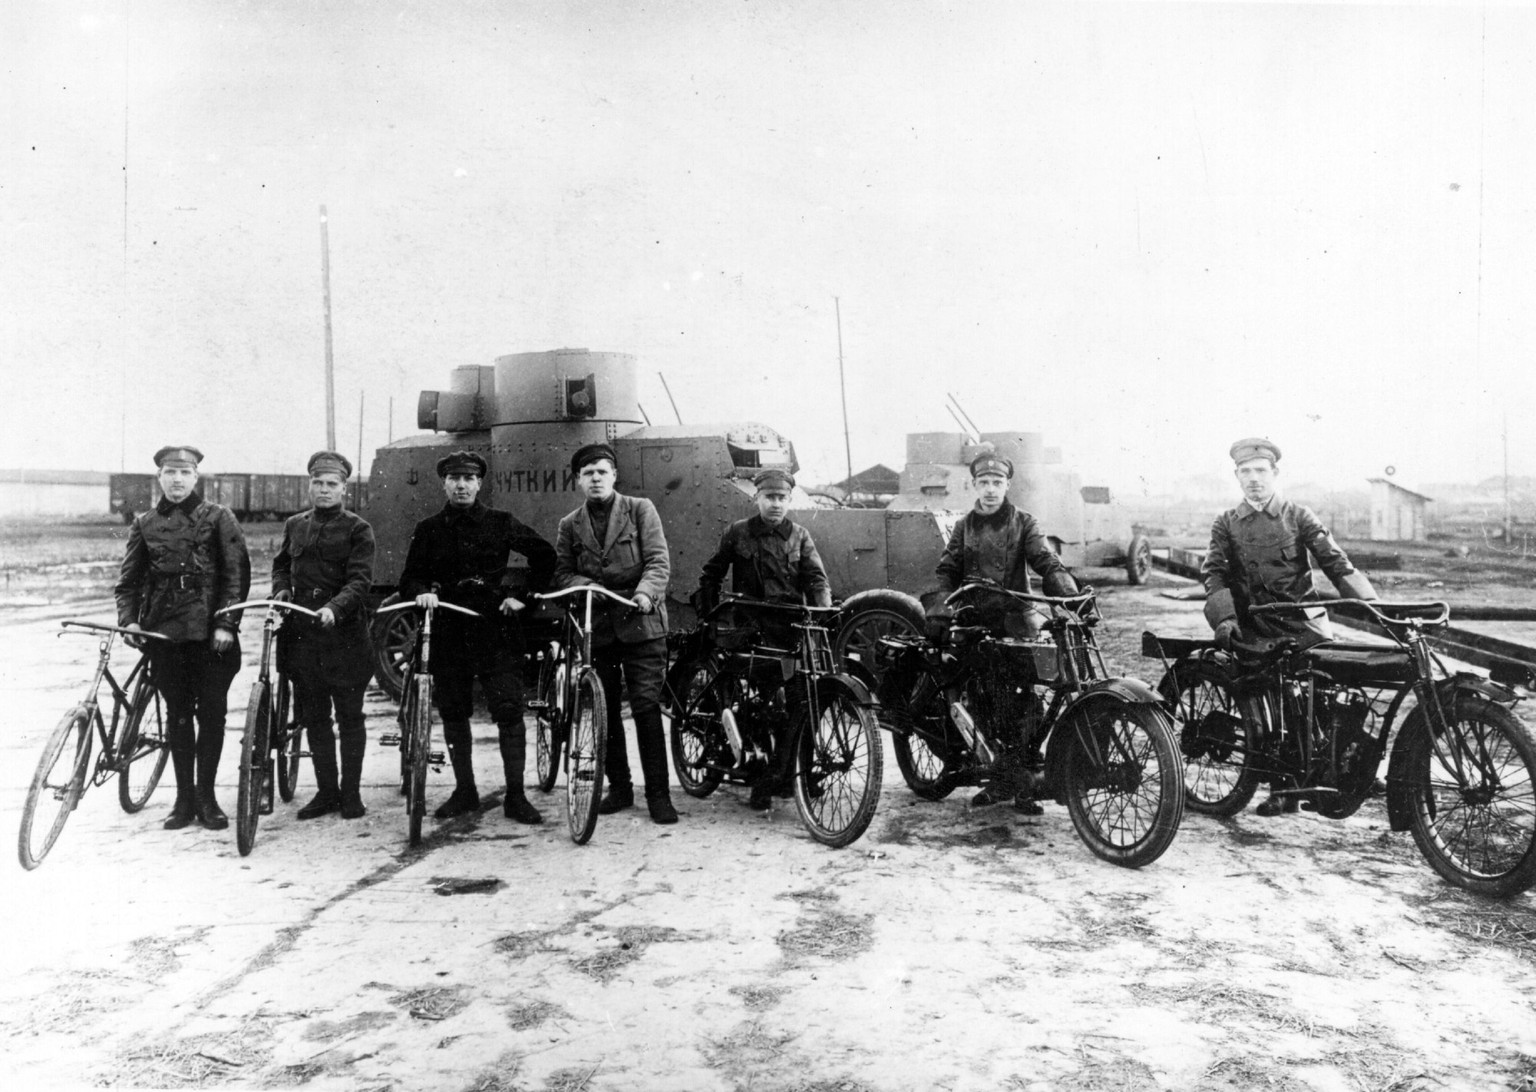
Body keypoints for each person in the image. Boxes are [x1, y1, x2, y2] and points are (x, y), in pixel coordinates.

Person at [1203, 436, 1378, 815]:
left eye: (1261, 471)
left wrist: (1373, 606)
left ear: (1275, 473)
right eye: (1245, 472)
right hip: (1257, 630)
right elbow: (1214, 574)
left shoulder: (1299, 515)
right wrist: (1225, 618)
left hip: (1305, 626)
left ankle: (1341, 760)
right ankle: (1282, 788)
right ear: (1236, 476)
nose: (1254, 479)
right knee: (1278, 701)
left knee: (1334, 688)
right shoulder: (1226, 524)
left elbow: (1336, 563)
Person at [398, 450, 557, 823]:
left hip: (494, 629)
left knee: (508, 711)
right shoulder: (429, 528)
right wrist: (422, 591)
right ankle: (465, 791)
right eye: (454, 478)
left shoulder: (500, 522)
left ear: (480, 483)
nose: (462, 485)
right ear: (444, 483)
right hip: (449, 629)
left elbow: (545, 555)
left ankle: (516, 797)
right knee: (454, 712)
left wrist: (522, 596)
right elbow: (409, 578)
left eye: (469, 478)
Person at [932, 444, 1078, 812]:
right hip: (976, 624)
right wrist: (940, 606)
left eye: (997, 481)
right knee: (985, 701)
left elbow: (1045, 560)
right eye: (984, 481)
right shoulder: (964, 526)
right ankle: (999, 780)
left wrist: (1066, 592)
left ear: (1007, 484)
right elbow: (947, 569)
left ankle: (1024, 782)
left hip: (1015, 625)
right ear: (974, 485)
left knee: (1026, 703)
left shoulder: (1024, 523)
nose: (991, 489)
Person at [115, 445, 251, 831]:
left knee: (211, 715)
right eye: (170, 473)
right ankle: (183, 800)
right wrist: (130, 621)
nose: (177, 480)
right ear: (159, 477)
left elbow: (236, 574)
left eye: (184, 473)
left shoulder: (219, 517)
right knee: (176, 716)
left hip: (211, 638)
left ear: (196, 478)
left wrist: (227, 624)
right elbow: (128, 583)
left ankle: (207, 799)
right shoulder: (144, 524)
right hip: (165, 636)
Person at [554, 442, 676, 824]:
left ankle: (658, 795)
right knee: (604, 710)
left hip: (642, 623)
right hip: (600, 627)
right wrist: (586, 584)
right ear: (578, 480)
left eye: (602, 472)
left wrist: (644, 593)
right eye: (588, 473)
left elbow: (658, 561)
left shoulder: (641, 510)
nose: (595, 479)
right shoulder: (570, 524)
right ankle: (619, 788)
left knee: (645, 707)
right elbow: (561, 572)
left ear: (614, 475)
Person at [698, 467, 832, 808]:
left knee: (804, 701)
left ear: (789, 500)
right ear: (757, 498)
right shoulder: (737, 533)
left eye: (782, 498)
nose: (776, 504)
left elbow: (816, 580)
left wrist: (822, 611)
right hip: (751, 632)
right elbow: (711, 575)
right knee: (763, 705)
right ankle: (762, 780)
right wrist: (711, 618)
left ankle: (794, 772)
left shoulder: (800, 536)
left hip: (791, 632)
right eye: (769, 497)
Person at [271, 451, 376, 820]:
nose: (324, 490)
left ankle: (351, 794)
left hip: (345, 639)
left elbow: (360, 580)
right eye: (318, 483)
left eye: (332, 484)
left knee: (350, 717)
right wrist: (282, 589)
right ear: (309, 485)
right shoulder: (295, 525)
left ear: (344, 488)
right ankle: (326, 791)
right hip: (304, 639)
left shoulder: (358, 529)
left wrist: (335, 608)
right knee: (314, 718)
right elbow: (282, 564)